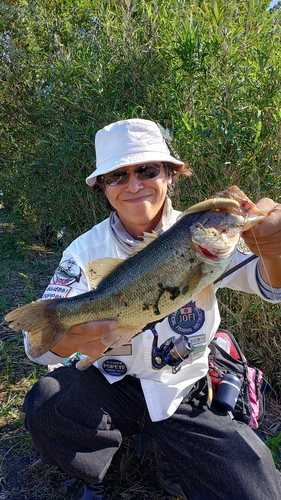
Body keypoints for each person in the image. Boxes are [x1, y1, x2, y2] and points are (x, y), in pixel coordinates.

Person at [23, 118, 281, 500]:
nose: (134, 184)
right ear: (103, 187)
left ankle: (172, 454)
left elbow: (268, 285)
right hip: (110, 382)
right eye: (117, 175)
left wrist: (273, 248)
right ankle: (97, 474)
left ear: (170, 175)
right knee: (48, 402)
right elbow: (36, 347)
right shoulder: (83, 251)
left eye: (147, 170)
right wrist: (68, 339)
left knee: (256, 489)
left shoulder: (199, 235)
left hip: (184, 388)